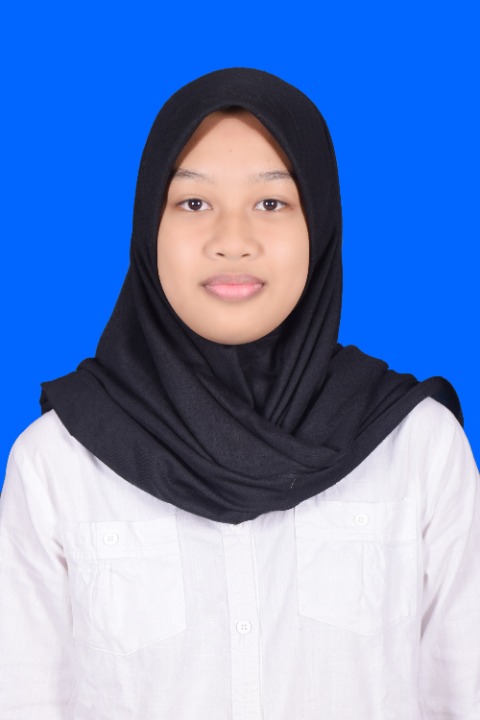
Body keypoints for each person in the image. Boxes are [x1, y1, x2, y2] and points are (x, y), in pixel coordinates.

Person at [0, 68, 478, 718]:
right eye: (193, 203)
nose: (232, 241)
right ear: (148, 225)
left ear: (320, 224)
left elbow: (463, 697)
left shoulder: (417, 449)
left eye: (272, 203)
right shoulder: (58, 463)